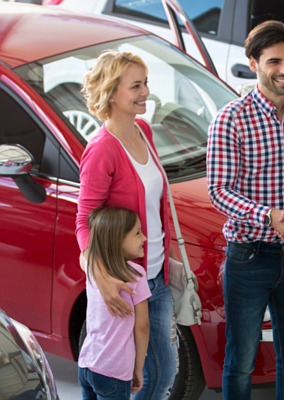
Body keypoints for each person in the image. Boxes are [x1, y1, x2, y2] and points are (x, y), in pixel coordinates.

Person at [206, 20, 284, 400]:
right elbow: (219, 191)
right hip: (249, 256)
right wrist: (272, 217)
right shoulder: (231, 120)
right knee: (240, 360)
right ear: (253, 61)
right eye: (274, 61)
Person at [75, 50, 177, 399]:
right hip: (126, 281)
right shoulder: (102, 149)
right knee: (145, 373)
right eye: (136, 86)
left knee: (158, 373)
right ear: (111, 92)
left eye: (145, 83)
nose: (146, 92)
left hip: (156, 273)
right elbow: (84, 220)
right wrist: (101, 276)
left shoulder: (144, 129)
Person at [78, 206, 151, 399]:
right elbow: (142, 327)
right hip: (114, 370)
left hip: (86, 364)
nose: (144, 238)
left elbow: (84, 256)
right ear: (117, 241)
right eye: (137, 233)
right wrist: (138, 368)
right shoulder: (136, 275)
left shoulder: (93, 271)